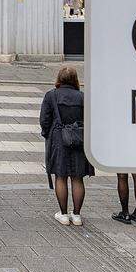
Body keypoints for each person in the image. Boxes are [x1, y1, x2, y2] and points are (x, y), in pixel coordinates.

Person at [40, 66, 94, 226]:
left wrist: (47, 134)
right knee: (78, 178)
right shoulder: (82, 97)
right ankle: (76, 215)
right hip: (79, 139)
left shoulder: (51, 96)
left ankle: (63, 214)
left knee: (60, 176)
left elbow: (44, 120)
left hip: (58, 139)